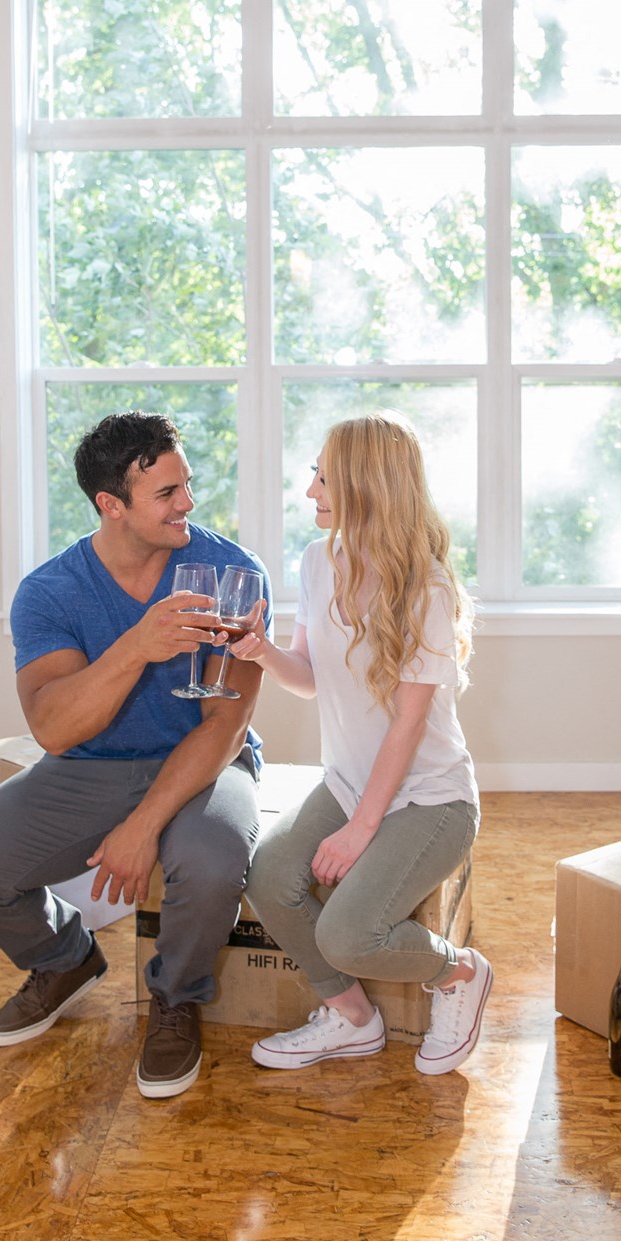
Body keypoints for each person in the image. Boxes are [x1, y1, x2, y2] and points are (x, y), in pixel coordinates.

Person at [0, 411, 271, 1100]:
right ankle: (64, 960)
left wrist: (143, 824)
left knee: (209, 863)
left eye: (186, 485)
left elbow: (225, 726)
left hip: (207, 762)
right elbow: (55, 729)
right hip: (90, 766)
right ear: (110, 506)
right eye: (166, 494)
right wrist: (137, 646)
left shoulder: (233, 571)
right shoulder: (50, 593)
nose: (187, 504)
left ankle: (176, 998)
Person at [231, 410, 491, 1076]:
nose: (312, 491)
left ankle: (458, 973)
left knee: (346, 933)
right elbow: (310, 678)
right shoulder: (318, 562)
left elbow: (407, 727)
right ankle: (351, 1016)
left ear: (364, 485)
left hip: (430, 802)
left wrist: (358, 832)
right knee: (267, 877)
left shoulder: (426, 588)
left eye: (324, 477)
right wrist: (261, 653)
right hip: (349, 783)